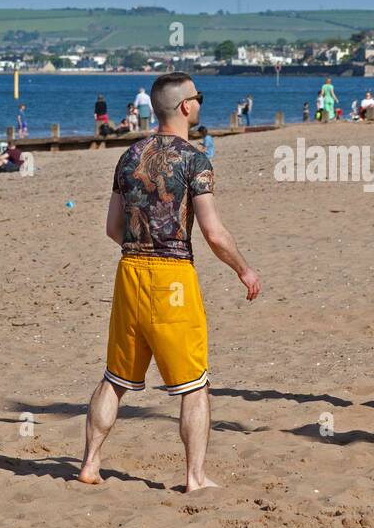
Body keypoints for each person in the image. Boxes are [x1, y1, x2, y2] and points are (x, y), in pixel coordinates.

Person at [79, 74, 259, 492]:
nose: (200, 104)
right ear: (185, 107)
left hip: (129, 271)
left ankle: (90, 463)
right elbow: (214, 233)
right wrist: (244, 269)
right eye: (199, 98)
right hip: (172, 273)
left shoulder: (128, 156)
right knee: (194, 385)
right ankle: (194, 477)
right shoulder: (194, 160)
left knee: (115, 378)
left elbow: (112, 227)